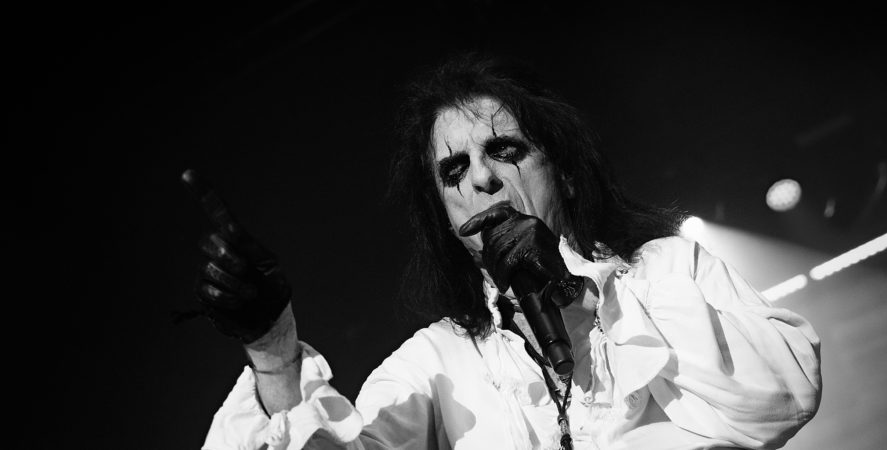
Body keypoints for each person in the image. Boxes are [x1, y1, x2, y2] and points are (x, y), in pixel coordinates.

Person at [187, 54, 822, 450]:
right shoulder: (437, 362)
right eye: (454, 170)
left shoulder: (665, 272)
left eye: (505, 150)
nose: (483, 179)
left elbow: (778, 402)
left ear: (563, 173)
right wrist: (274, 354)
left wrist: (578, 297)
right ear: (447, 218)